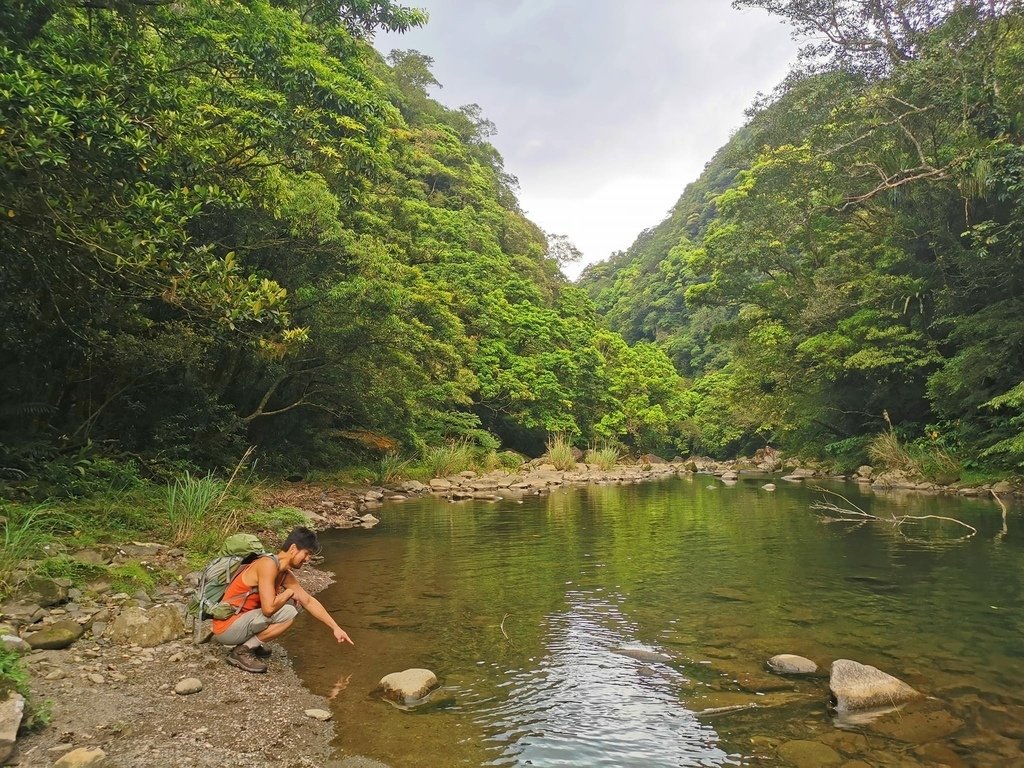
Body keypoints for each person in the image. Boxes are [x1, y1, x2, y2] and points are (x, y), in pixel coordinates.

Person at [211, 526, 353, 673]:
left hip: (240, 621)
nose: (308, 559)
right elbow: (268, 610)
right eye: (307, 553)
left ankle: (249, 644)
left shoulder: (284, 573)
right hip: (226, 628)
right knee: (289, 612)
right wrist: (288, 593)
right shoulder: (267, 565)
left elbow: (308, 601)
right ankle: (242, 651)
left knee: (294, 605)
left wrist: (335, 628)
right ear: (293, 548)